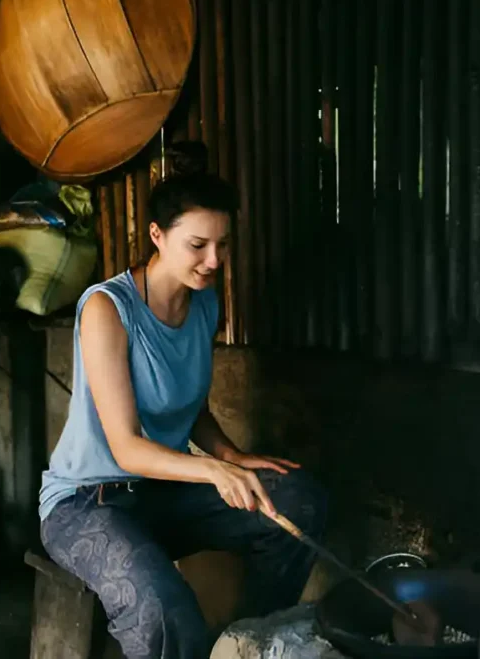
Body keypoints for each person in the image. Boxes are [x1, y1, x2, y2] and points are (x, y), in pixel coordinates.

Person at [38, 172, 328, 659]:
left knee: (298, 504)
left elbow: (189, 406)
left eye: (222, 245)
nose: (213, 261)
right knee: (162, 609)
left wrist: (232, 454)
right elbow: (127, 446)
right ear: (157, 235)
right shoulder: (108, 309)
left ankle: (240, 645)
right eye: (197, 244)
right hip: (88, 504)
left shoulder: (204, 303)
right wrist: (215, 470)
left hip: (158, 497)